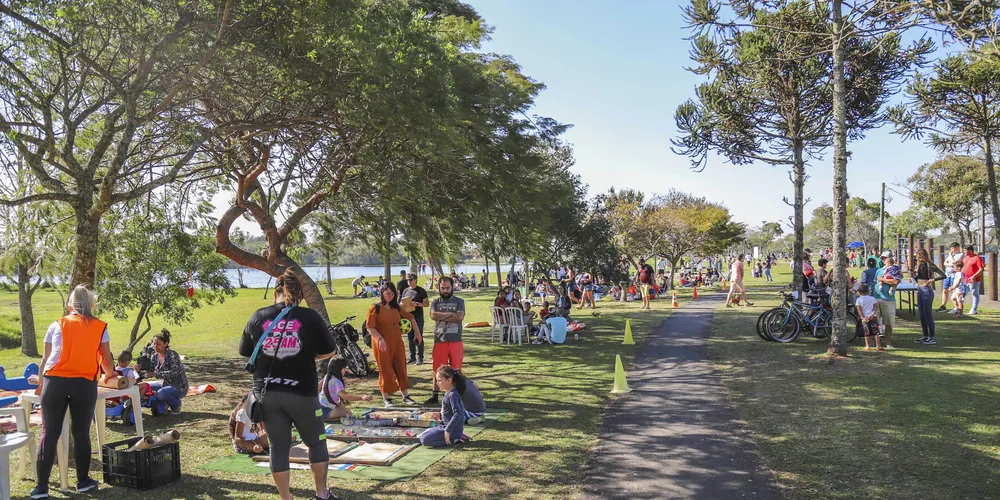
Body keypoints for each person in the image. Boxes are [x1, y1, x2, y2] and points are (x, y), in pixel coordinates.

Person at [239, 268, 338, 500]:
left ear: (276, 293)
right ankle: (322, 494)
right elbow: (329, 351)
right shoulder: (310, 317)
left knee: (278, 447)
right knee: (316, 442)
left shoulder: (258, 316)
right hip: (302, 392)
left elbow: (246, 353)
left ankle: (286, 497)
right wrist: (305, 354)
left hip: (267, 394)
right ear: (300, 295)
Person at [31, 285, 116, 499]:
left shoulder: (57, 324)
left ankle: (41, 487)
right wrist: (109, 375)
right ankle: (83, 481)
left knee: (49, 433)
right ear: (91, 305)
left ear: (70, 306)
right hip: (84, 382)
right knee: (81, 433)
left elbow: (46, 358)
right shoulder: (100, 327)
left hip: (54, 381)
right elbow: (106, 358)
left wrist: (41, 382)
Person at [365, 282, 421, 407]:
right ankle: (386, 398)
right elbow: (370, 327)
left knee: (401, 366)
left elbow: (411, 318)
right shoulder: (375, 308)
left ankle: (405, 396)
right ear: (382, 293)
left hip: (397, 342)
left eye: (392, 294)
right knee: (385, 369)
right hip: (381, 344)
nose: (390, 296)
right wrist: (380, 339)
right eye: (387, 293)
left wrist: (418, 334)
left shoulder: (397, 307)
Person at [425, 277, 466, 405]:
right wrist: (450, 314)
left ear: (452, 287)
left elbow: (459, 316)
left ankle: (457, 395)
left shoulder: (460, 301)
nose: (445, 290)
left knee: (456, 369)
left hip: (455, 340)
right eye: (442, 288)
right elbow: (433, 315)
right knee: (437, 369)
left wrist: (442, 315)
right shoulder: (435, 302)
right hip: (440, 340)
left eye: (447, 288)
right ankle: (435, 395)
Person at [419, 366, 469, 448]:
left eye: (439, 381)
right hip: (445, 426)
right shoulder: (448, 393)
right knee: (423, 435)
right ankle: (456, 436)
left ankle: (455, 439)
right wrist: (440, 414)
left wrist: (448, 429)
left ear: (449, 380)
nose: (437, 383)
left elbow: (458, 414)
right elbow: (449, 412)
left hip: (451, 430)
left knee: (424, 440)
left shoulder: (453, 395)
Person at [146, 329, 188, 414]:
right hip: (164, 384)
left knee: (161, 393)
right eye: (154, 344)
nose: (155, 346)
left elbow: (175, 373)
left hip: (179, 386)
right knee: (146, 386)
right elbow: (151, 370)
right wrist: (139, 370)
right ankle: (161, 405)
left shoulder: (172, 355)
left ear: (166, 344)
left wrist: (157, 374)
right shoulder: (154, 356)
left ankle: (176, 405)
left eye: (158, 344)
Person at [912, 249, 946, 345]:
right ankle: (925, 335)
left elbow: (943, 275)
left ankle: (932, 337)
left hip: (927, 291)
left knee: (928, 314)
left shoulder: (930, 265)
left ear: (923, 256)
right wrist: (914, 275)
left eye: (919, 257)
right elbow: (919, 278)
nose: (918, 259)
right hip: (920, 289)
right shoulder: (919, 266)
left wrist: (932, 280)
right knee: (922, 314)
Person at [401, 273, 429, 365]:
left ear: (415, 280)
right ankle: (412, 356)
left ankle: (420, 357)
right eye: (408, 280)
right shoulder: (405, 291)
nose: (409, 281)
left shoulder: (421, 291)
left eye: (411, 279)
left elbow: (426, 304)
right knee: (410, 337)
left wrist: (417, 304)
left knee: (418, 336)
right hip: (408, 316)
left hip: (418, 317)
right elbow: (400, 302)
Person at [874, 256, 902, 349]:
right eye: (884, 259)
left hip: (889, 300)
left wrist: (882, 279)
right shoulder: (879, 270)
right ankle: (877, 343)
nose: (886, 261)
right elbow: (876, 280)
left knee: (889, 323)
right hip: (876, 298)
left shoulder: (896, 269)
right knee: (876, 322)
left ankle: (888, 342)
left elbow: (895, 281)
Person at [855, 284, 882, 351]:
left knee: (866, 332)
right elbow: (876, 307)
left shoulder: (859, 300)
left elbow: (859, 309)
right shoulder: (872, 298)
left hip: (865, 318)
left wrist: (862, 317)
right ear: (867, 291)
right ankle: (878, 345)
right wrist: (872, 314)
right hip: (873, 317)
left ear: (859, 292)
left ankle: (867, 345)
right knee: (876, 332)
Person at [961, 245, 984, 315]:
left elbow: (981, 269)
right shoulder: (965, 258)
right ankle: (958, 308)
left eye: (965, 250)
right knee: (962, 294)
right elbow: (962, 267)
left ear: (970, 250)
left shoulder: (977, 258)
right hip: (964, 280)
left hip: (974, 280)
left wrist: (974, 276)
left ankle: (973, 309)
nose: (964, 252)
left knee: (974, 294)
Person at [939, 242, 962, 311]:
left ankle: (956, 306)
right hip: (947, 275)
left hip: (954, 275)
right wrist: (950, 264)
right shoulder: (951, 255)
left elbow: (954, 263)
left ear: (957, 247)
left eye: (954, 248)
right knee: (945, 290)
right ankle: (943, 306)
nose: (952, 249)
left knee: (954, 291)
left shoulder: (960, 255)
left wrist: (950, 257)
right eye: (951, 248)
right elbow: (945, 263)